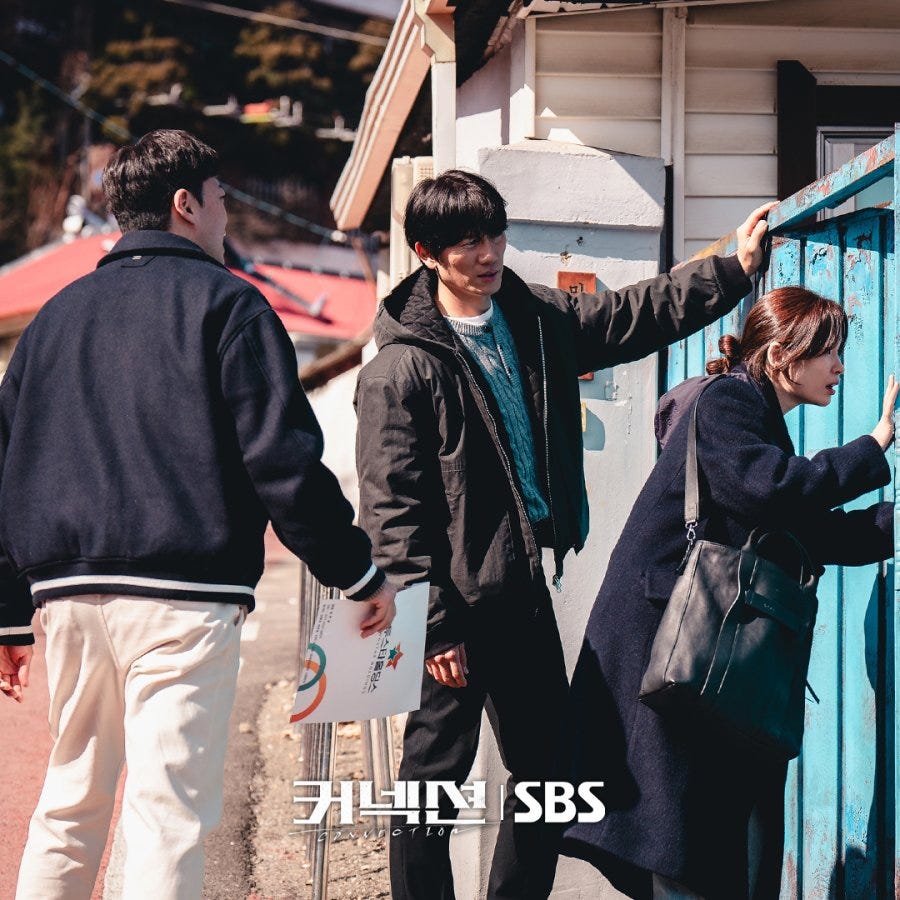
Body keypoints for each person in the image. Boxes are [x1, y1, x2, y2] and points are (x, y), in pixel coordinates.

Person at [353, 167, 774, 899]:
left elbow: (634, 315)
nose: (489, 253)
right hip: (447, 608)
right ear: (426, 253)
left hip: (518, 592)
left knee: (550, 774)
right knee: (430, 786)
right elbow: (392, 513)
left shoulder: (532, 319)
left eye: (495, 234)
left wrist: (731, 270)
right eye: (468, 242)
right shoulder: (400, 368)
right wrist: (435, 625)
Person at [0, 129, 397, 900]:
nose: (225, 216)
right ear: (185, 203)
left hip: (69, 597)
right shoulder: (231, 306)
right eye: (220, 200)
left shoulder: (55, 318)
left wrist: (11, 615)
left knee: (71, 800)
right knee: (166, 813)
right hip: (184, 596)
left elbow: (7, 466)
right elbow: (282, 464)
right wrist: (358, 572)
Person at [561, 286, 897, 899]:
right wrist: (870, 449)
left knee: (710, 828)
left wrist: (891, 524)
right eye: (828, 352)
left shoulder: (756, 416)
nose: (840, 367)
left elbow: (803, 528)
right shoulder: (728, 401)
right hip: (672, 642)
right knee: (682, 833)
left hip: (701, 647)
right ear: (783, 355)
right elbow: (771, 489)